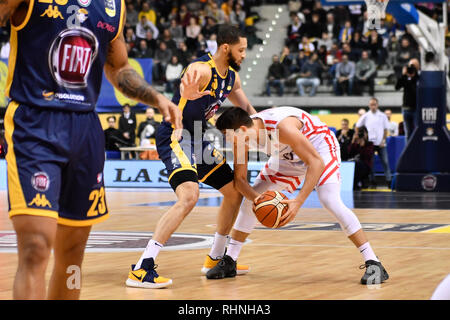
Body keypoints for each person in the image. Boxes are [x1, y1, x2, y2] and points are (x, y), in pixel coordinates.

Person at [0, 0, 181, 300]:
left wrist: (156, 99)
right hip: (34, 123)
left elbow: (120, 68)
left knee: (72, 255)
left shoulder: (112, 6)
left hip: (85, 127)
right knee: (35, 247)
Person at [126, 24, 256, 289]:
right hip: (176, 134)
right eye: (241, 50)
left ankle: (215, 258)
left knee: (234, 191)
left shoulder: (232, 78)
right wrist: (178, 125)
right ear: (225, 48)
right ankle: (142, 268)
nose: (244, 55)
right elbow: (183, 101)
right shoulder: (200, 70)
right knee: (189, 196)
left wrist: (264, 126)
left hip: (197, 137)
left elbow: (248, 110)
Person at [210, 107, 389, 285]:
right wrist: (258, 200)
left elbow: (315, 163)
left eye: (226, 135)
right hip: (285, 157)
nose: (226, 140)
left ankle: (373, 262)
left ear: (241, 130)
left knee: (329, 200)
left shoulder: (283, 127)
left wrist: (298, 201)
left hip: (319, 149)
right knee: (249, 204)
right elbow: (240, 180)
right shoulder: (240, 138)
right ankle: (230, 260)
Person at [355, 98, 392, 187]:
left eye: (374, 104)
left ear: (377, 105)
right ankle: (372, 181)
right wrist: (362, 138)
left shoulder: (382, 116)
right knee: (371, 163)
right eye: (371, 105)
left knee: (385, 162)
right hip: (370, 144)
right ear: (369, 105)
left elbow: (385, 129)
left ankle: (389, 180)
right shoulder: (366, 116)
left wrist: (383, 140)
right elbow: (357, 126)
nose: (373, 106)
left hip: (381, 143)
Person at [395, 58, 420, 141]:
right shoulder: (405, 77)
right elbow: (397, 87)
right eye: (411, 65)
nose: (412, 67)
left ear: (418, 66)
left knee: (417, 132)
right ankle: (409, 152)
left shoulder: (419, 78)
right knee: (408, 133)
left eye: (414, 65)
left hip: (416, 109)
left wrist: (413, 77)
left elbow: (414, 91)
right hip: (406, 108)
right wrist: (403, 75)